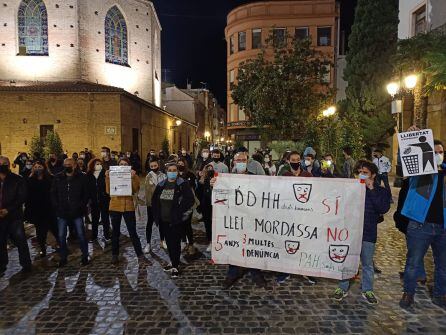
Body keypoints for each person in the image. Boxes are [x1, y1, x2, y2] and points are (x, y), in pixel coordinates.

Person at [334, 161, 391, 305]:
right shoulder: (349, 189)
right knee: (347, 260)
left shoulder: (381, 191)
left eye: (365, 172)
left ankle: (368, 289)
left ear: (373, 175)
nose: (361, 175)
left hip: (368, 232)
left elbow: (383, 208)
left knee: (367, 263)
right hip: (350, 232)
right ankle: (342, 287)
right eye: (358, 172)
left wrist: (371, 189)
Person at [399, 139, 446, 309]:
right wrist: (411, 138)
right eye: (434, 152)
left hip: (443, 228)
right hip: (420, 225)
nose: (438, 155)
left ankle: (440, 294)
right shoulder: (418, 171)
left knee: (443, 265)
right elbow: (404, 161)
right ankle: (408, 294)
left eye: (441, 152)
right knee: (413, 263)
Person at [211, 150, 267, 289]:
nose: (241, 162)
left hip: (251, 217)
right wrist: (214, 184)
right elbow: (219, 197)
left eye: (243, 160)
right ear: (234, 162)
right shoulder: (226, 178)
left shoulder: (255, 177)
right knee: (234, 244)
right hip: (234, 219)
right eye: (238, 160)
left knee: (252, 244)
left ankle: (255, 271)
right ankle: (233, 272)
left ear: (247, 162)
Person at [152, 161, 195, 278]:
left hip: (176, 220)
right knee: (169, 243)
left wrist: (179, 212)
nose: (172, 172)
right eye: (169, 170)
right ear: (166, 172)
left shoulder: (183, 184)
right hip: (163, 220)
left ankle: (175, 266)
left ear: (177, 172)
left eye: (174, 170)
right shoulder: (161, 185)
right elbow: (155, 201)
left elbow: (190, 200)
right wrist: (156, 216)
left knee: (175, 243)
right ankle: (172, 261)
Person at [276, 151, 313, 284]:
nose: (295, 161)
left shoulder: (308, 175)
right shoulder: (284, 175)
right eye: (293, 159)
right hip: (288, 215)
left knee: (304, 243)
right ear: (288, 161)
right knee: (287, 242)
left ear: (301, 161)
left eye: (298, 159)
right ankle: (285, 271)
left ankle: (305, 271)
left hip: (304, 216)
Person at [51, 158, 90, 267]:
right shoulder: (58, 177)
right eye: (65, 164)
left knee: (81, 234)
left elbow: (86, 194)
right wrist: (57, 206)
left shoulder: (82, 177)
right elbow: (53, 193)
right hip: (62, 211)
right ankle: (63, 257)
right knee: (61, 235)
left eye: (69, 164)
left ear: (74, 165)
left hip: (77, 211)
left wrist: (81, 205)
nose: (67, 166)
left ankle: (85, 256)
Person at [105, 158, 145, 265]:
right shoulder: (111, 174)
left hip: (128, 207)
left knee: (133, 232)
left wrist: (132, 178)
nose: (123, 165)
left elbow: (136, 189)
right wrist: (108, 177)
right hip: (115, 206)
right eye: (121, 164)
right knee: (115, 233)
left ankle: (140, 254)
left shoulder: (134, 175)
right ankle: (115, 255)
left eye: (125, 164)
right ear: (118, 165)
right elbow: (108, 190)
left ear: (129, 166)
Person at [0, 156, 32, 276]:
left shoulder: (17, 179)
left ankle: (26, 264)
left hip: (14, 216)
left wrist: (8, 209)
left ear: (8, 165)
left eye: (4, 163)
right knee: (1, 241)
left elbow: (21, 197)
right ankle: (2, 265)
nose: (2, 165)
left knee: (20, 240)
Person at [25, 161, 58, 257]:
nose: (37, 168)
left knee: (55, 228)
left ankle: (60, 244)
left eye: (39, 166)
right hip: (37, 210)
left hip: (50, 208)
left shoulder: (50, 178)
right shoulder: (30, 180)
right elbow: (28, 196)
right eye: (35, 167)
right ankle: (43, 248)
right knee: (40, 231)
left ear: (44, 167)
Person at [144, 158, 166, 253]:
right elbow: (148, 191)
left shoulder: (163, 175)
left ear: (158, 165)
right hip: (152, 204)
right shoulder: (148, 176)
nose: (153, 168)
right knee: (150, 223)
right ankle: (148, 243)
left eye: (155, 166)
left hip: (162, 203)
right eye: (151, 166)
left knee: (162, 222)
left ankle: (162, 240)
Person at [86, 159, 111, 242]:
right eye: (97, 164)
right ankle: (94, 235)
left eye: (100, 164)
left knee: (105, 218)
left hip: (104, 199)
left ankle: (107, 235)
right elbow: (87, 188)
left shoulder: (105, 174)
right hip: (93, 201)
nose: (99, 165)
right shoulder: (89, 175)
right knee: (95, 219)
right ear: (92, 165)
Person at [177, 158, 198, 255]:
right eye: (179, 163)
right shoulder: (175, 174)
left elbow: (193, 187)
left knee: (187, 224)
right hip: (178, 203)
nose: (180, 165)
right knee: (180, 223)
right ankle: (183, 241)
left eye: (182, 163)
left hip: (188, 203)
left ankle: (191, 244)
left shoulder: (190, 174)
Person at [200, 163, 214, 252]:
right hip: (206, 205)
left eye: (211, 168)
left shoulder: (217, 179)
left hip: (215, 205)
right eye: (207, 168)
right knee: (208, 224)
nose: (209, 170)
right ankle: (210, 241)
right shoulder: (201, 181)